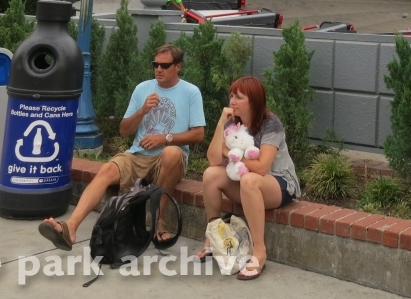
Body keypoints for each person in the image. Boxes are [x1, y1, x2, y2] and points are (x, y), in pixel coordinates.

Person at [38, 45, 204, 250]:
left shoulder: (191, 92)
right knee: (107, 169)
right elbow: (124, 130)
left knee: (171, 152)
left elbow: (199, 134)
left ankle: (159, 220)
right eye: (155, 64)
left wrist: (164, 138)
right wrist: (142, 110)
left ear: (178, 66)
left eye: (165, 65)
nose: (158, 69)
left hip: (169, 158)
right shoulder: (143, 88)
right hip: (138, 155)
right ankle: (70, 228)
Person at [195, 76, 299, 280]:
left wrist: (231, 153)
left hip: (279, 183)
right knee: (210, 175)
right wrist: (220, 123)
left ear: (254, 101)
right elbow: (213, 159)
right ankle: (213, 237)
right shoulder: (233, 123)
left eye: (239, 97)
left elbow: (261, 168)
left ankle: (259, 252)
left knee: (249, 179)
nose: (232, 101)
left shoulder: (271, 124)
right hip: (247, 182)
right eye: (231, 95)